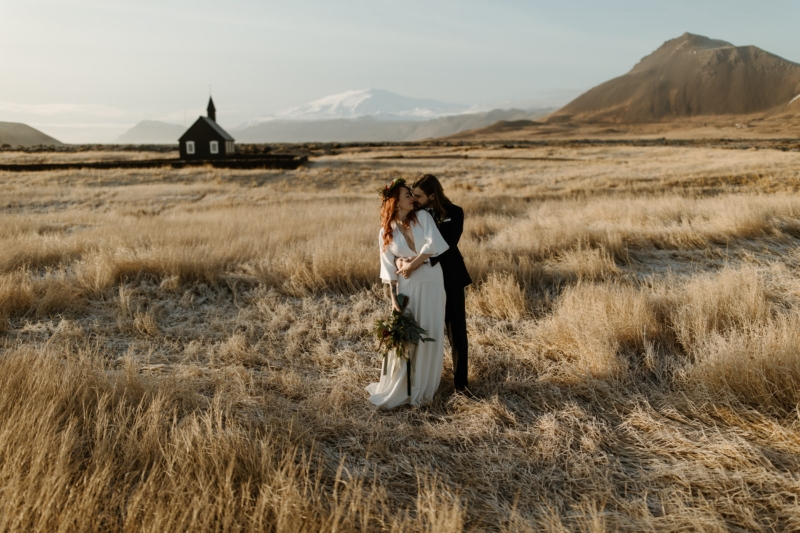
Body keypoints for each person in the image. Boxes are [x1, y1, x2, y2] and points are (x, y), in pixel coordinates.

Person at [366, 178, 450, 409]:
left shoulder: (423, 218)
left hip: (432, 281)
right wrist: (393, 300)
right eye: (407, 195)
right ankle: (404, 386)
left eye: (412, 194)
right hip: (408, 289)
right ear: (395, 202)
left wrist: (412, 264)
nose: (412, 198)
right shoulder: (385, 232)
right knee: (409, 338)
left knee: (431, 332)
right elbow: (388, 269)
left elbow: (433, 246)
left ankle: (424, 389)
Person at [398, 174, 472, 394]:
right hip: (423, 282)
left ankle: (461, 385)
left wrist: (419, 261)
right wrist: (402, 261)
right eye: (413, 195)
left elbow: (447, 244)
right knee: (423, 329)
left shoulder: (455, 212)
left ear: (432, 195)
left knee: (456, 331)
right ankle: (421, 381)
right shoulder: (414, 214)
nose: (415, 200)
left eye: (419, 196)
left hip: (451, 278)